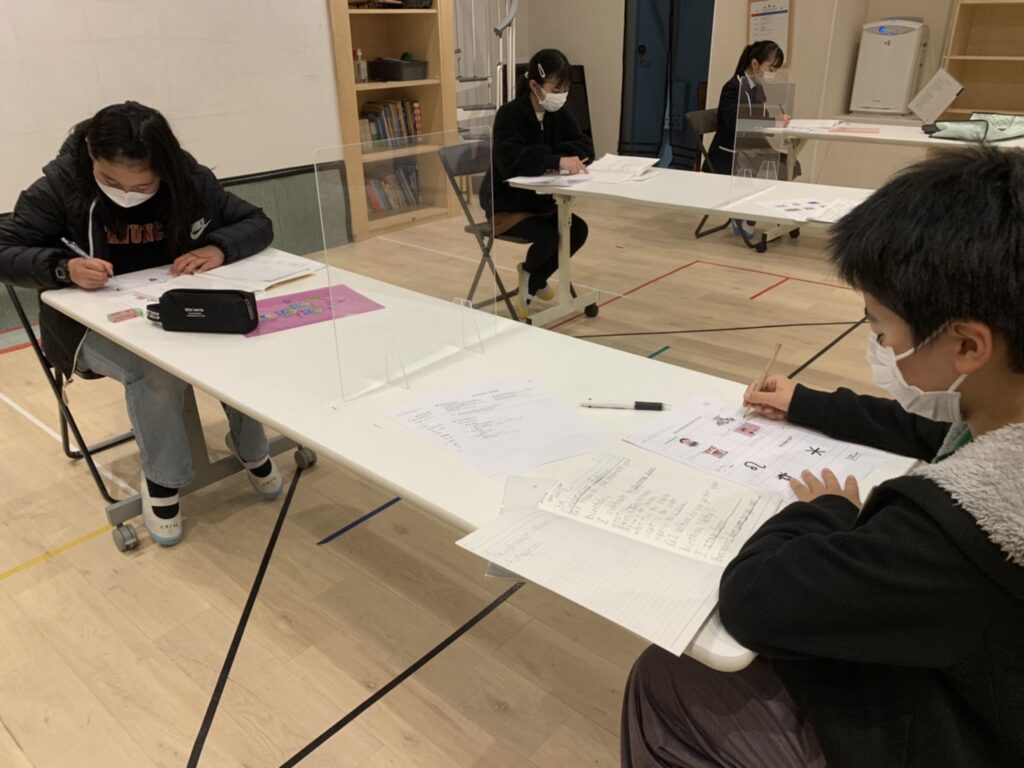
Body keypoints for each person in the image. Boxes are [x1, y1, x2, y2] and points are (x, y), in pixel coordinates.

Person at [621, 148, 1024, 767]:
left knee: (668, 676)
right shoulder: (1000, 411)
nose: (878, 345)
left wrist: (828, 510)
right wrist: (806, 403)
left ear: (968, 345)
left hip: (953, 731)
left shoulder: (961, 533)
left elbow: (754, 601)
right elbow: (930, 430)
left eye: (882, 330)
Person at [0, 101, 283, 547]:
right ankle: (164, 481)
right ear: (90, 151)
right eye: (111, 181)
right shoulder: (60, 187)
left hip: (172, 308)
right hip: (86, 326)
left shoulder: (188, 179)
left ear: (163, 167)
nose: (127, 193)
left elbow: (256, 221)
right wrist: (61, 268)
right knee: (155, 370)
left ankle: (251, 447)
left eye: (143, 185)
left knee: (238, 335)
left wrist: (220, 247)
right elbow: (5, 250)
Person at [480, 48, 595, 319]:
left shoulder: (560, 115)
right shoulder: (510, 114)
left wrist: (556, 158)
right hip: (508, 204)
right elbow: (511, 162)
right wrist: (556, 160)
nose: (561, 95)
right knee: (549, 237)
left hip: (542, 202)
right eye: (556, 89)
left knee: (577, 230)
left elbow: (586, 147)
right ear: (534, 86)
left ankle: (533, 278)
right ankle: (533, 281)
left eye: (565, 89)